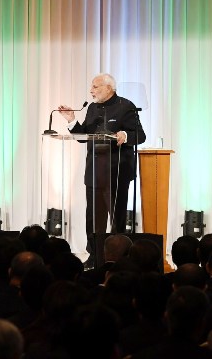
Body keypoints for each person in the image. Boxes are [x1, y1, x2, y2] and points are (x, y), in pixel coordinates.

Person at [58, 73, 146, 265]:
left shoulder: (126, 106)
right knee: (93, 220)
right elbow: (83, 137)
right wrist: (72, 120)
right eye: (92, 87)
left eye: (95, 87)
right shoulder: (92, 108)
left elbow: (140, 135)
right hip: (95, 173)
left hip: (117, 173)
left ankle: (119, 258)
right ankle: (95, 256)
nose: (91, 91)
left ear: (109, 88)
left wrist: (124, 134)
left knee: (116, 220)